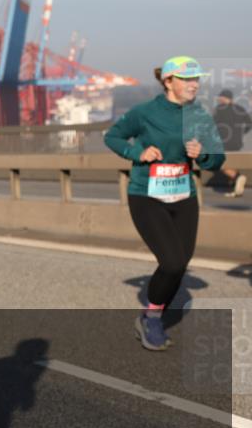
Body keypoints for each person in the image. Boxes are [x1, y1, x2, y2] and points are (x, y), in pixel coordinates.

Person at [104, 56, 224, 351]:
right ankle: (152, 319)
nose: (194, 84)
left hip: (184, 195)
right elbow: (113, 136)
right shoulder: (145, 112)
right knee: (171, 261)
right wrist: (137, 153)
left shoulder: (200, 116)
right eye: (187, 79)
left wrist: (203, 154)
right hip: (147, 195)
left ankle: (151, 312)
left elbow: (218, 158)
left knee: (180, 263)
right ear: (168, 81)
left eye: (197, 79)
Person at [212, 89, 251, 197]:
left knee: (219, 163)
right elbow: (249, 124)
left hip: (224, 142)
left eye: (220, 98)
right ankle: (237, 188)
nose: (219, 100)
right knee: (233, 162)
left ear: (224, 98)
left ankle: (237, 177)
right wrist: (241, 133)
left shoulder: (219, 109)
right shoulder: (240, 109)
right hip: (237, 143)